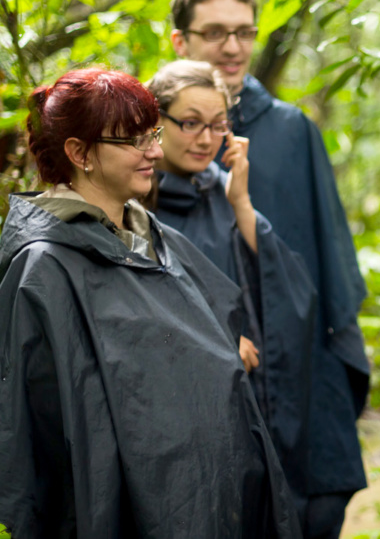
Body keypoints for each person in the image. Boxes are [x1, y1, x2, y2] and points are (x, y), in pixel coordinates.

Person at [0, 68, 301, 538]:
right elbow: (44, 438)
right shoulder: (45, 269)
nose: (155, 152)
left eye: (153, 135)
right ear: (80, 153)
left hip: (213, 503)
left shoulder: (157, 239)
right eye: (134, 141)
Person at [169, 0, 369, 536]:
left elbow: (329, 255)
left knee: (319, 508)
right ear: (180, 40)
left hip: (301, 358)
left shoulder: (290, 129)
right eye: (214, 33)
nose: (231, 48)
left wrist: (339, 356)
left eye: (243, 33)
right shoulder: (152, 133)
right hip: (206, 380)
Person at [143, 58, 319, 518]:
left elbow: (287, 290)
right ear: (154, 123)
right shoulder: (135, 203)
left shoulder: (221, 188)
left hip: (245, 405)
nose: (205, 139)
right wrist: (217, 342)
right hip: (175, 420)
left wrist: (240, 200)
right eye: (190, 123)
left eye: (217, 125)